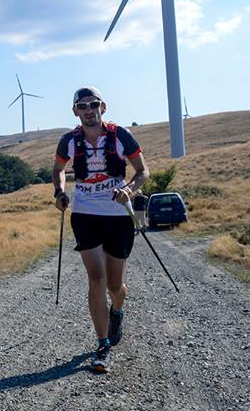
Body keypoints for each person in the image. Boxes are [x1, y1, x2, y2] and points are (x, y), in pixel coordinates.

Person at [53, 86, 149, 373]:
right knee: (96, 278)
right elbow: (58, 168)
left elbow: (143, 171)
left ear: (103, 107)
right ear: (75, 111)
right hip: (85, 214)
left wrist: (129, 190)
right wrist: (59, 192)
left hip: (117, 215)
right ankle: (103, 345)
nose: (89, 110)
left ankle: (117, 309)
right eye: (83, 106)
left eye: (93, 104)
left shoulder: (121, 136)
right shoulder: (69, 141)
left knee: (114, 287)